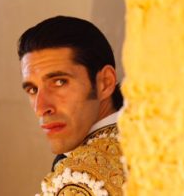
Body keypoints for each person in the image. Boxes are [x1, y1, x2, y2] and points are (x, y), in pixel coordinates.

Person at [18, 16, 125, 195]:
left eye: (59, 82)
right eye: (32, 89)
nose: (40, 108)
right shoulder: (145, 146)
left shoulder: (79, 180)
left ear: (104, 83)